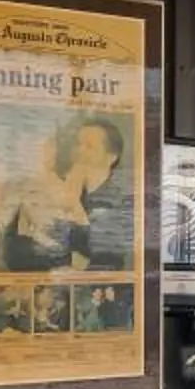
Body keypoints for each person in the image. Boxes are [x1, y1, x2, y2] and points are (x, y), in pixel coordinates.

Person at [0, 120, 87, 272]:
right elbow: (0, 228)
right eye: (39, 146)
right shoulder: (16, 187)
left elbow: (84, 238)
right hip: (30, 267)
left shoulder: (71, 186)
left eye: (51, 145)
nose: (49, 151)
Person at [69, 114, 135, 271]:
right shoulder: (64, 187)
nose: (80, 151)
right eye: (78, 144)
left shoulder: (123, 199)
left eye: (89, 146)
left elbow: (103, 252)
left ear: (111, 157)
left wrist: (72, 202)